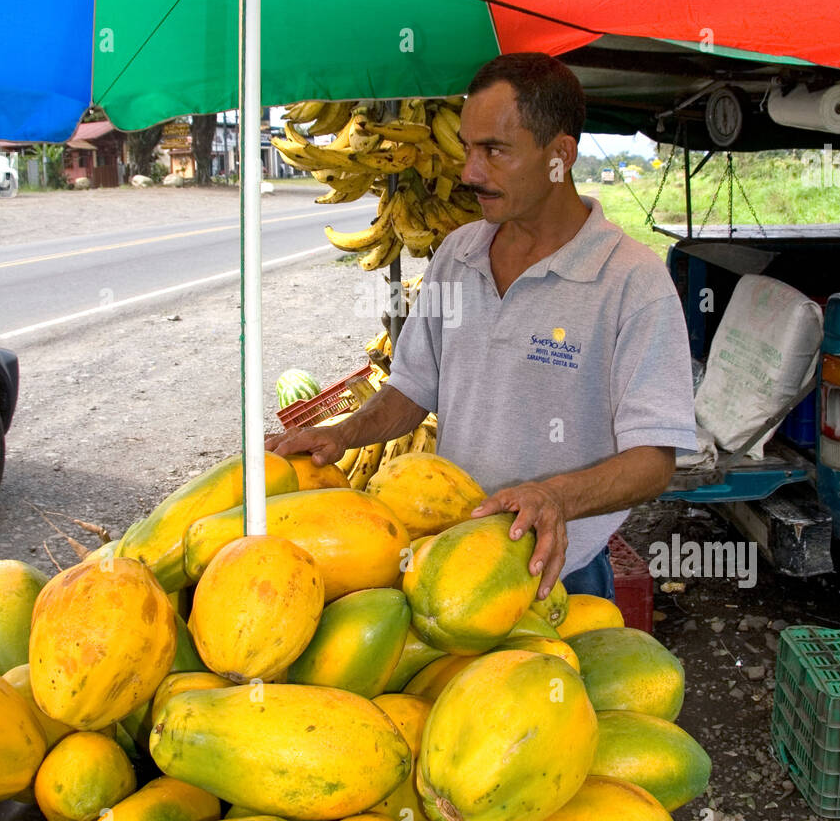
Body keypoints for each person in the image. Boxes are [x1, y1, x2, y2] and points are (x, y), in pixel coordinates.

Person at [266, 53, 697, 601]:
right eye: (468, 147)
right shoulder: (457, 253)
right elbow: (413, 387)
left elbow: (653, 460)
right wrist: (343, 433)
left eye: (494, 150)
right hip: (454, 551)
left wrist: (555, 497)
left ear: (560, 156)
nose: (470, 171)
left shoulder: (633, 281)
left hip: (561, 573)